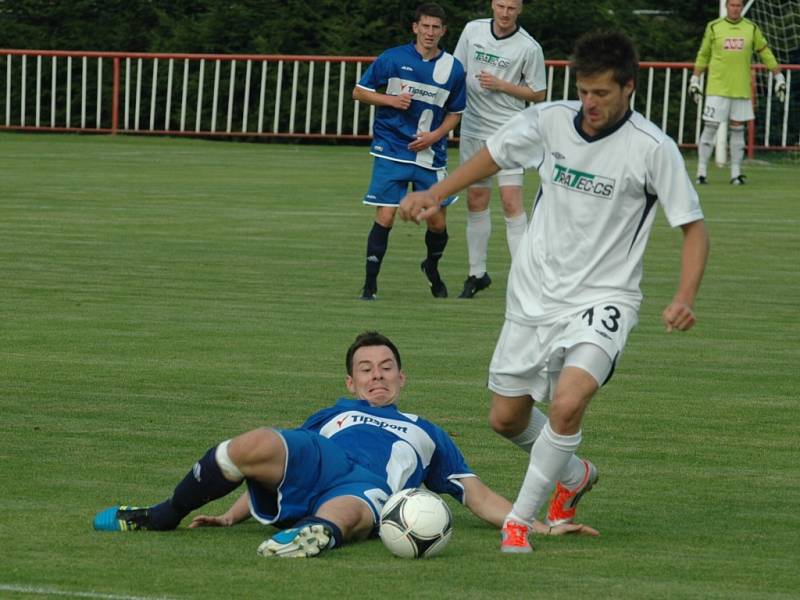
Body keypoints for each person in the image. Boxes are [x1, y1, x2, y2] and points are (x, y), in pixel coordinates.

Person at [399, 31, 710, 554]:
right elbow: (493, 155)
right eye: (584, 91)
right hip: (533, 295)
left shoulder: (652, 148)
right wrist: (435, 192)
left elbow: (694, 227)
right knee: (505, 419)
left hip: (604, 299)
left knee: (568, 403)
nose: (589, 103)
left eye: (602, 94)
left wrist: (684, 296)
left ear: (629, 88)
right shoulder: (548, 121)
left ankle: (520, 521)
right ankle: (574, 474)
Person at [93, 331, 598, 557]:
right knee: (255, 445)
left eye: (385, 369)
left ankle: (312, 536)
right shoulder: (333, 413)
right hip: (321, 460)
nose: (377, 377)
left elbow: (480, 497)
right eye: (366, 370)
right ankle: (163, 514)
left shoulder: (428, 433)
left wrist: (534, 525)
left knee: (355, 507)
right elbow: (274, 468)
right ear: (352, 382)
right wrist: (230, 516)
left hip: (367, 486)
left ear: (402, 379)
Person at [354, 3, 466, 301]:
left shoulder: (453, 68)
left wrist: (435, 136)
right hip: (392, 149)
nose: (430, 32)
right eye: (425, 26)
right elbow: (359, 91)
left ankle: (431, 266)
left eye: (436, 27)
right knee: (386, 216)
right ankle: (369, 287)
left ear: (443, 31)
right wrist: (390, 101)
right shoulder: (391, 59)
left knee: (438, 222)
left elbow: (455, 113)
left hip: (430, 155)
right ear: (415, 27)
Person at [453, 0, 546, 299]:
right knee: (476, 200)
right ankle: (476, 273)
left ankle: (524, 279)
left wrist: (502, 85)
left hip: (509, 133)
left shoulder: (529, 47)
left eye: (512, 8)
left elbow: (538, 93)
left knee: (510, 202)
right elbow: (457, 71)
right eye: (501, 6)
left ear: (520, 10)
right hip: (473, 129)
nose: (505, 13)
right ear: (492, 5)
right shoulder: (472, 31)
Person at [690, 0, 786, 185]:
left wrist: (778, 76)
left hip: (741, 88)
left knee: (737, 130)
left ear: (742, 7)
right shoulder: (714, 27)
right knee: (710, 127)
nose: (736, 8)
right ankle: (701, 172)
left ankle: (735, 173)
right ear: (726, 6)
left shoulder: (751, 28)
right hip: (717, 88)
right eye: (732, 5)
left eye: (739, 5)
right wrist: (695, 79)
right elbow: (703, 54)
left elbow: (764, 51)